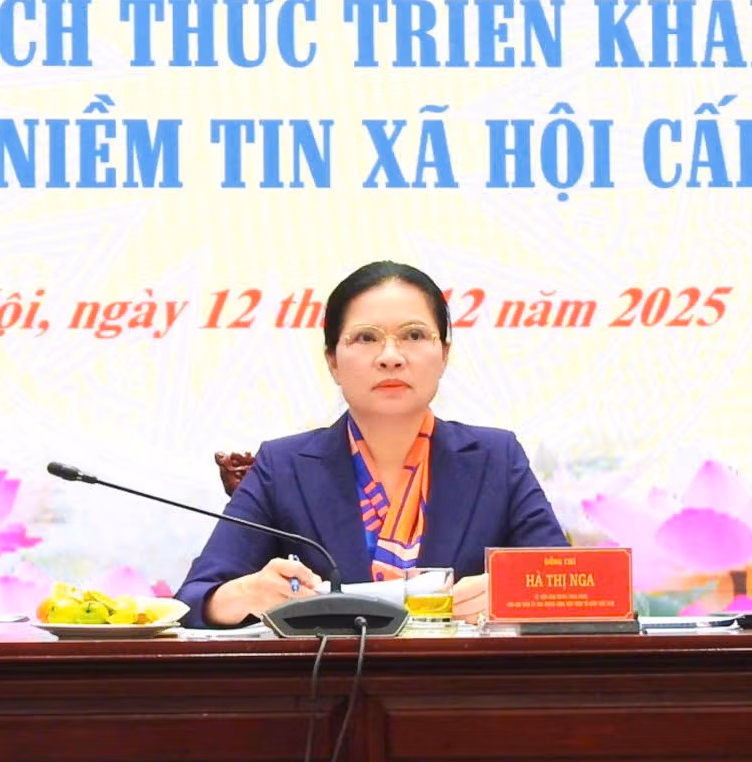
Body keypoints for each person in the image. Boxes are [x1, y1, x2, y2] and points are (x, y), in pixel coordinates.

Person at [178, 260, 566, 627]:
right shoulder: (283, 466)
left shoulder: (495, 458)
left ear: (444, 355)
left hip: (461, 675)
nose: (390, 357)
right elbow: (193, 600)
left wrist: (510, 593)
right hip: (328, 675)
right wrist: (246, 594)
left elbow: (572, 586)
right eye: (366, 338)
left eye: (414, 335)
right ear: (332, 361)